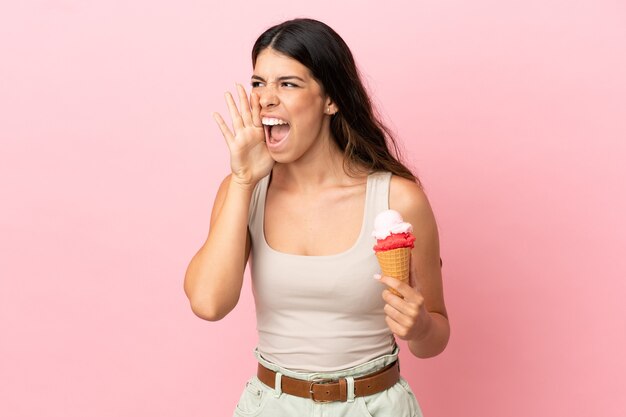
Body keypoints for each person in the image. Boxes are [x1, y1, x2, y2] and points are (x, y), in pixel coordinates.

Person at [184, 18, 449, 417]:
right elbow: (208, 303)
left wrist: (421, 329)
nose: (265, 99)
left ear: (331, 99)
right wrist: (242, 181)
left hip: (376, 407)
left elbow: (435, 335)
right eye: (258, 83)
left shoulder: (398, 199)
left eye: (287, 84)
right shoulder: (245, 190)